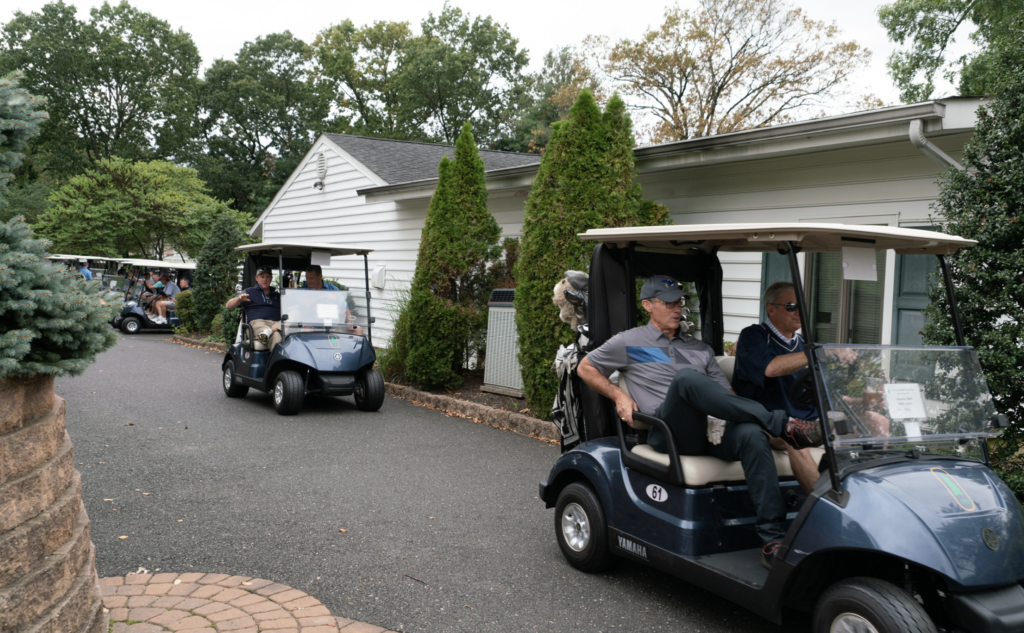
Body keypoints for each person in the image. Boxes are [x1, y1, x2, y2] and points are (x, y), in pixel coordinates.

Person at [576, 275, 823, 569]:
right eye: (668, 303)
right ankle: (782, 424)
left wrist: (723, 414)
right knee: (686, 379)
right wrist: (618, 395)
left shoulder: (700, 349)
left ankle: (772, 539)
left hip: (709, 430)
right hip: (668, 432)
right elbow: (586, 367)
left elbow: (727, 393)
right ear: (647, 305)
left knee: (752, 436)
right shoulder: (628, 342)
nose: (677, 308)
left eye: (679, 301)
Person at [733, 282, 890, 494]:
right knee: (796, 435)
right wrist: (820, 352)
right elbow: (770, 369)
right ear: (771, 309)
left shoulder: (804, 344)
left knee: (877, 421)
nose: (798, 312)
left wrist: (863, 402)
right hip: (772, 422)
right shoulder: (754, 336)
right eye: (791, 306)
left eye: (802, 307)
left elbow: (826, 394)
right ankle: (826, 506)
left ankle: (876, 493)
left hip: (813, 421)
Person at [225, 266, 282, 352]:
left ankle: (270, 330)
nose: (265, 280)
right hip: (258, 323)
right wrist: (239, 299)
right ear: (256, 278)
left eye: (267, 277)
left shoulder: (277, 295)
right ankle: (282, 365)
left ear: (271, 278)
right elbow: (228, 306)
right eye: (262, 277)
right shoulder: (249, 292)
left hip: (277, 324)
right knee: (275, 335)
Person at [301, 265, 361, 335]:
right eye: (307, 278)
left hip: (332, 324)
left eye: (311, 278)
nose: (308, 281)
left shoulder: (332, 289)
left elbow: (344, 307)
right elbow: (306, 303)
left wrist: (350, 321)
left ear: (320, 277)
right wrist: (324, 297)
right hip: (312, 324)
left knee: (358, 330)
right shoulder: (303, 290)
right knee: (307, 328)